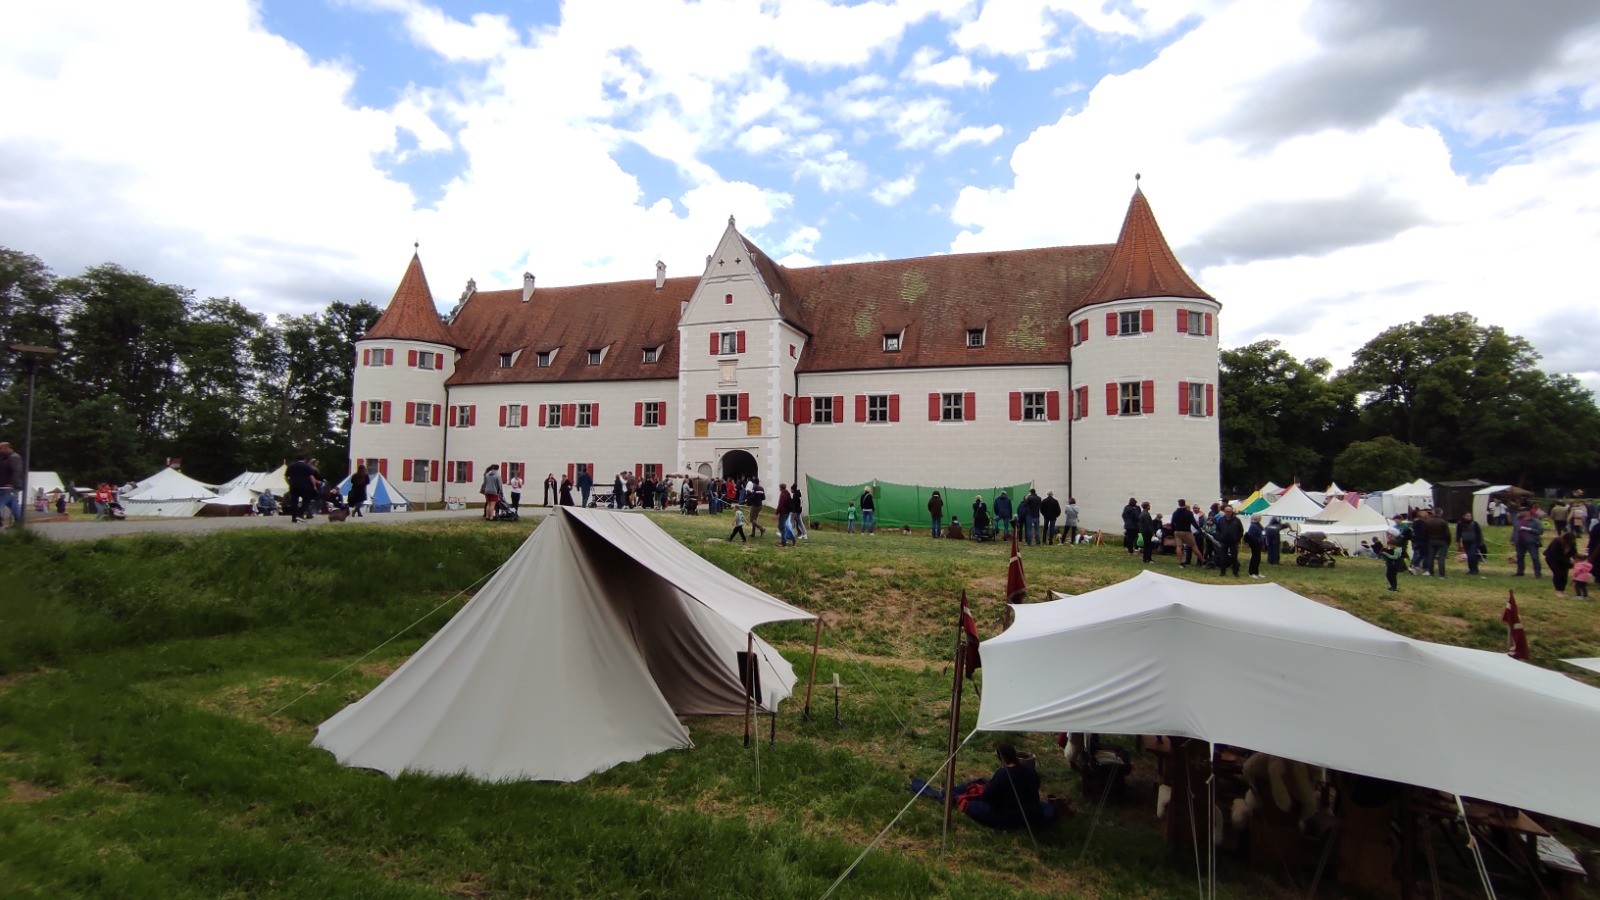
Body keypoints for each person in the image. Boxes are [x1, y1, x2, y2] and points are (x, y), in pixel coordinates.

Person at [957, 743, 1055, 831]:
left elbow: (987, 799)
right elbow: (1036, 786)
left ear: (1002, 758)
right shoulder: (1030, 770)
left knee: (973, 805)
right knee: (1045, 807)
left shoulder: (1002, 774)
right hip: (1033, 813)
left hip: (1011, 816)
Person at [285, 454, 319, 523]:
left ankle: (294, 517)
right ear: (304, 459)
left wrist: (289, 483)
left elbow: (286, 477)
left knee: (294, 502)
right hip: (305, 486)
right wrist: (314, 486)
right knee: (307, 500)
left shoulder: (291, 466)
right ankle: (300, 513)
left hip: (294, 486)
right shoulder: (307, 466)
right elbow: (311, 477)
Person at [1513, 505, 1544, 578]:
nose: (1520, 513)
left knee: (1535, 558)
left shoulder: (1535, 521)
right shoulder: (1517, 520)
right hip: (1520, 542)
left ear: (1528, 512)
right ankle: (1520, 572)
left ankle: (1538, 574)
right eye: (1519, 511)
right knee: (1519, 557)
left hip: (1532, 542)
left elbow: (1540, 531)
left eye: (1522, 511)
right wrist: (1513, 539)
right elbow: (1515, 530)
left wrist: (1529, 529)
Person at [1421, 508, 1450, 578]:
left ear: (1433, 512)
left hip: (1431, 541)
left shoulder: (1427, 521)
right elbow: (1447, 534)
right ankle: (1442, 574)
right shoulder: (1443, 522)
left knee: (1431, 557)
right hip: (1442, 541)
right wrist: (1448, 542)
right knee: (1441, 558)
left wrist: (1427, 540)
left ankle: (1431, 573)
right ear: (1440, 513)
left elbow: (1424, 533)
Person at [1546, 531, 1577, 597]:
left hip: (1565, 560)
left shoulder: (1572, 544)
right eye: (1570, 540)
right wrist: (1568, 562)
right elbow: (1555, 555)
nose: (1572, 542)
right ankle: (1558, 591)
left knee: (1564, 575)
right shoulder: (1556, 542)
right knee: (1558, 573)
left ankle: (1562, 591)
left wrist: (1577, 559)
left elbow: (1574, 552)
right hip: (1552, 559)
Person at [1216, 505, 1244, 577]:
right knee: (1223, 557)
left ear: (1232, 512)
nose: (1228, 513)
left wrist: (1237, 539)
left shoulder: (1237, 520)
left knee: (1234, 557)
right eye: (1227, 511)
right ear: (1224, 512)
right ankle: (1222, 572)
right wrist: (1219, 537)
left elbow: (1241, 530)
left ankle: (1235, 572)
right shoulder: (1221, 520)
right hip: (1223, 542)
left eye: (1230, 511)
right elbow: (1217, 530)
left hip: (1234, 542)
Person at [0, 441, 23, 528]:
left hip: (10, 486)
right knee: (13, 504)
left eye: (0, 448)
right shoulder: (4, 457)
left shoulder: (14, 457)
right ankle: (19, 523)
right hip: (4, 486)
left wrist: (12, 484)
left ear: (7, 448)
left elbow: (16, 471)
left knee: (1, 502)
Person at [1170, 500, 1199, 567]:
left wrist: (1174, 530)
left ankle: (1180, 561)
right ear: (1184, 504)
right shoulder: (1188, 513)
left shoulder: (1175, 513)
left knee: (1179, 547)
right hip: (1186, 531)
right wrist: (1199, 530)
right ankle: (1202, 560)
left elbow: (1172, 523)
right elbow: (1193, 522)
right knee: (1194, 546)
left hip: (1177, 531)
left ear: (1179, 504)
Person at [1456, 512, 1484, 576]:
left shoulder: (1474, 523)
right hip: (1465, 542)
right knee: (1469, 556)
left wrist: (1480, 543)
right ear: (1464, 516)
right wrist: (1458, 541)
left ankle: (1475, 569)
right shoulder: (1460, 523)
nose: (1469, 517)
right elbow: (1458, 533)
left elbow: (1479, 533)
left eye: (1470, 516)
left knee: (1472, 555)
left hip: (1474, 542)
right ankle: (1471, 569)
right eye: (1467, 516)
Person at [1245, 514, 1265, 578]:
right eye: (1260, 517)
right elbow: (1252, 536)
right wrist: (1257, 541)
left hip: (1258, 544)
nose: (1261, 519)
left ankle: (1256, 572)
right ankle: (1251, 573)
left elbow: (1262, 529)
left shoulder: (1258, 525)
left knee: (1258, 558)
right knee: (1254, 558)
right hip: (1255, 544)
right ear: (1256, 518)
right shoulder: (1253, 526)